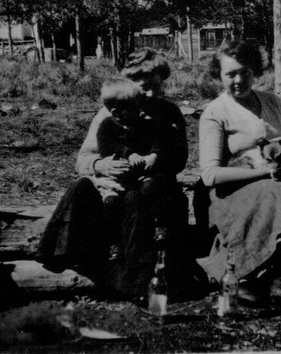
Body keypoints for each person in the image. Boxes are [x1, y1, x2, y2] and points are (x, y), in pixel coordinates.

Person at [37, 49, 193, 300]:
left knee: (138, 200)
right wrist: (101, 165)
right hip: (114, 185)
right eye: (144, 88)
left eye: (156, 87)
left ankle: (133, 281)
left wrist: (153, 162)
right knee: (81, 188)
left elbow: (179, 159)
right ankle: (60, 255)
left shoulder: (168, 113)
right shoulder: (110, 113)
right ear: (131, 85)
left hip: (151, 186)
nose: (150, 94)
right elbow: (83, 159)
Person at [197, 40, 281, 305]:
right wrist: (264, 173)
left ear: (255, 71)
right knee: (277, 190)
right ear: (219, 74)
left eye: (246, 72)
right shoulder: (215, 113)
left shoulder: (273, 102)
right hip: (233, 189)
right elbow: (210, 175)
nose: (239, 79)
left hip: (277, 177)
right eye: (231, 74)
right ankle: (252, 273)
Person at [95, 77, 175, 261]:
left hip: (139, 175)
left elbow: (158, 140)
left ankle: (158, 224)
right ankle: (113, 242)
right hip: (117, 177)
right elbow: (106, 148)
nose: (139, 111)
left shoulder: (142, 124)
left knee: (152, 187)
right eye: (134, 108)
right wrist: (128, 153)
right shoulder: (106, 126)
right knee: (110, 204)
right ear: (117, 112)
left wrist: (153, 155)